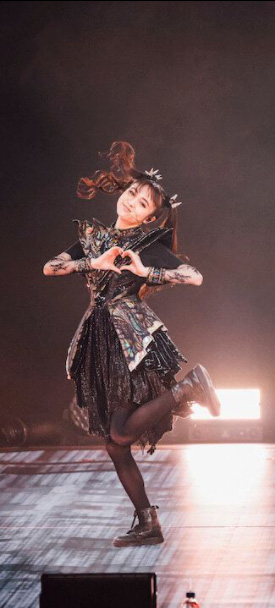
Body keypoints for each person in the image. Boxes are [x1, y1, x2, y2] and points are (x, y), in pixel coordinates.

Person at [43, 141, 221, 547]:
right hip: (97, 342)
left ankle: (189, 387)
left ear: (151, 216)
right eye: (132, 194)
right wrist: (93, 262)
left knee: (120, 435)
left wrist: (149, 271)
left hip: (129, 340)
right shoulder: (92, 238)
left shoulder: (148, 245)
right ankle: (147, 522)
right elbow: (50, 267)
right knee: (114, 443)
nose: (132, 202)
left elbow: (194, 276)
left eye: (142, 204)